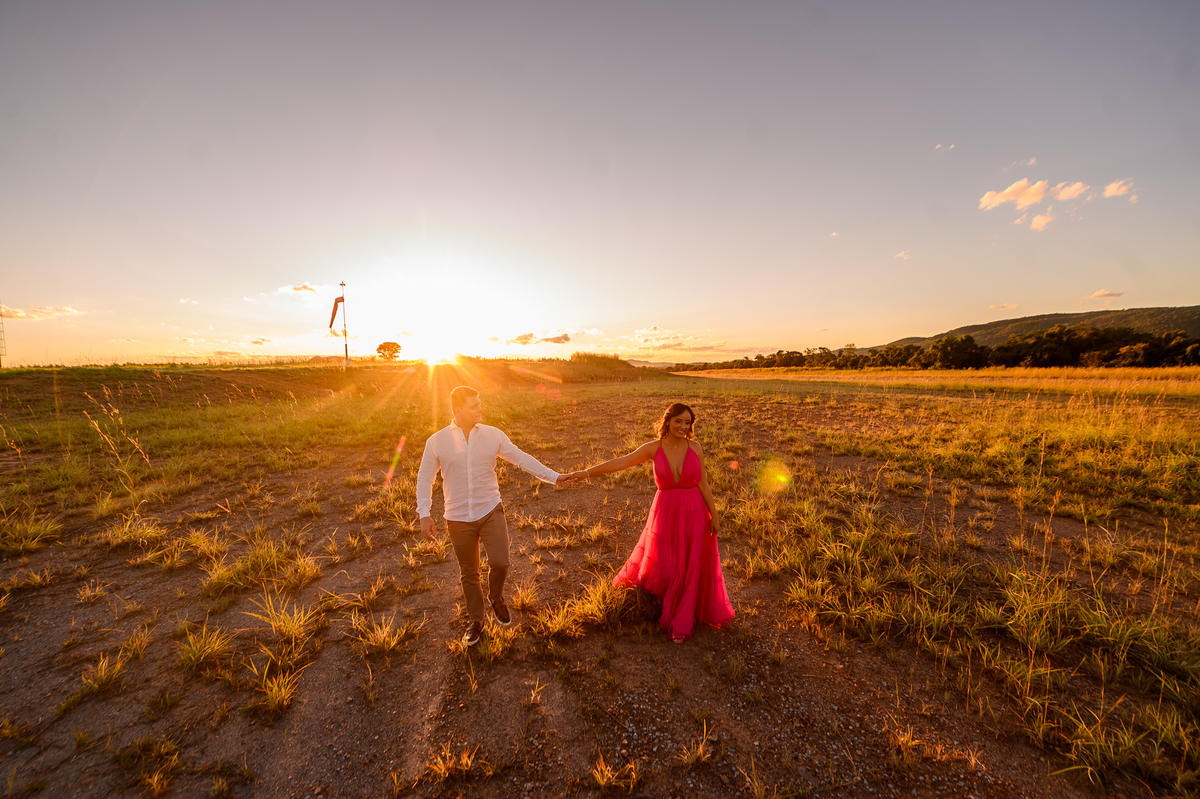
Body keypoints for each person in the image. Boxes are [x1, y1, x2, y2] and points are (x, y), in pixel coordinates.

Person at [417, 385, 582, 646]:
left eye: (480, 403)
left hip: (490, 509)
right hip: (457, 517)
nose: (480, 408)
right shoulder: (436, 441)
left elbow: (521, 459)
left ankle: (495, 597)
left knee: (500, 562)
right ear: (457, 410)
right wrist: (424, 513)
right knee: (469, 573)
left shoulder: (492, 435)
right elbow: (425, 477)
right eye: (474, 405)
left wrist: (555, 477)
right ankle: (477, 620)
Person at [570, 402, 734, 642]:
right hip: (666, 512)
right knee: (669, 561)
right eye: (678, 421)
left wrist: (714, 516)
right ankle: (663, 603)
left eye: (687, 422)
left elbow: (703, 484)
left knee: (690, 565)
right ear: (668, 421)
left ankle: (683, 617)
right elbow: (621, 462)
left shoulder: (695, 447)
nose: (683, 426)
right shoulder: (654, 448)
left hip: (695, 512)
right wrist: (586, 472)